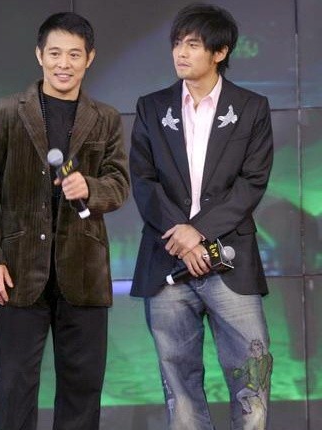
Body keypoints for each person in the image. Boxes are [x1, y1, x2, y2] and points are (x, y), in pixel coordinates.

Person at [0, 12, 129, 430]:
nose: (64, 63)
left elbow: (119, 185)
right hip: (19, 269)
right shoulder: (7, 112)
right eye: (55, 53)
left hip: (85, 269)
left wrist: (89, 187)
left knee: (83, 388)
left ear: (89, 59)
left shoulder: (106, 117)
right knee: (14, 386)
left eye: (74, 55)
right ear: (39, 55)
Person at [129, 3, 273, 430]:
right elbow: (143, 180)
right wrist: (184, 238)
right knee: (179, 383)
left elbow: (252, 182)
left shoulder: (250, 107)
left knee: (252, 374)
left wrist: (198, 232)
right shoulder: (152, 107)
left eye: (192, 44)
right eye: (177, 43)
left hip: (231, 261)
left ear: (220, 51)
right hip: (167, 259)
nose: (181, 52)